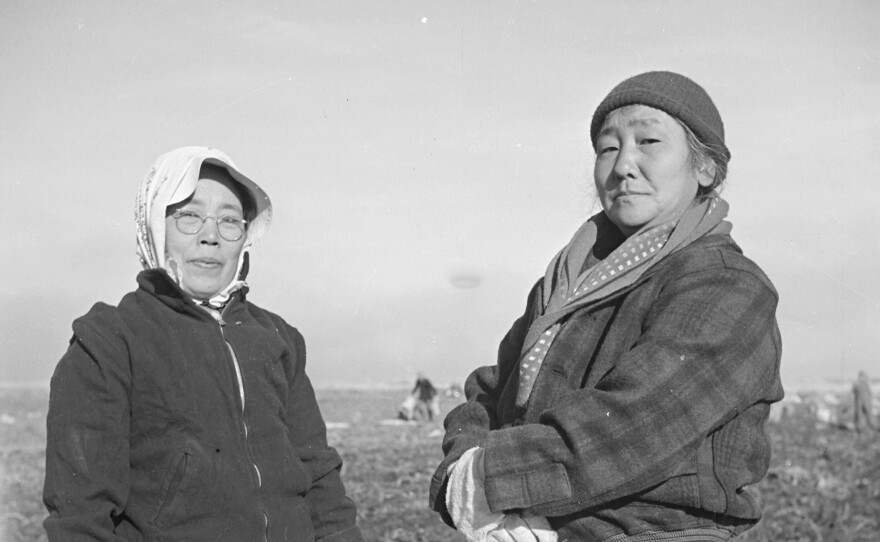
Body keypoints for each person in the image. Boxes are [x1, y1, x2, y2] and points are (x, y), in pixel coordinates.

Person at [429, 71, 784, 541]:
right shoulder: (567, 283)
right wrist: (462, 471)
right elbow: (490, 392)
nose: (623, 166)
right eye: (608, 148)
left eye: (649, 141)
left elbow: (634, 426)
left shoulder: (725, 285)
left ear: (706, 169)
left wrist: (485, 481)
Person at [43, 147, 363, 541]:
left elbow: (321, 484)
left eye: (230, 220)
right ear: (155, 225)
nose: (210, 236)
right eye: (189, 216)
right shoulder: (109, 339)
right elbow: (80, 519)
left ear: (245, 238)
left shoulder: (278, 338)